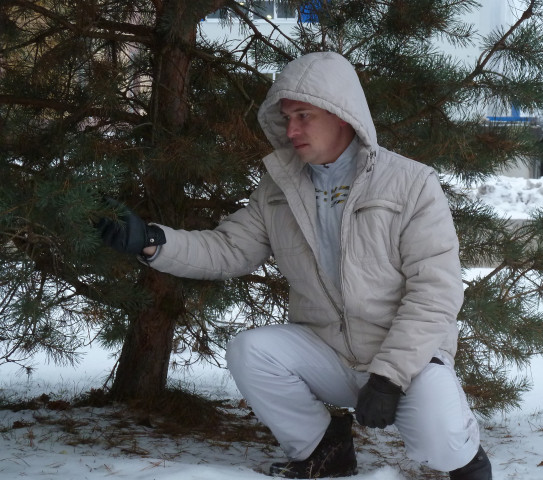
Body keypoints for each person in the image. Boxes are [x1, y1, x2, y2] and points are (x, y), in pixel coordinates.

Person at [98, 52, 492, 480]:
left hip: (405, 361)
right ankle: (325, 448)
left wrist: (389, 376)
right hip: (328, 351)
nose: (291, 130)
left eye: (304, 116)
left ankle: (468, 459)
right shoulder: (278, 188)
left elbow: (436, 292)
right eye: (288, 118)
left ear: (342, 115)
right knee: (250, 351)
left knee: (441, 449)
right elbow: (230, 249)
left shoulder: (411, 184)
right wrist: (153, 242)